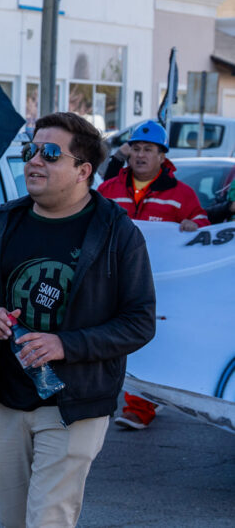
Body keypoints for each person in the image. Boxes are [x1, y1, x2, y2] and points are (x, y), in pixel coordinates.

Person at [0, 111, 156, 527]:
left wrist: (66, 344)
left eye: (49, 153)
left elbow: (139, 321)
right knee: (14, 520)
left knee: (47, 519)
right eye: (30, 150)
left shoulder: (117, 233)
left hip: (74, 403)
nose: (33, 161)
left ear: (83, 170)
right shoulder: (3, 222)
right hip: (7, 398)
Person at [96, 119, 208, 431]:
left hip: (161, 284)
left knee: (148, 342)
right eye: (136, 149)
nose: (141, 155)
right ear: (128, 152)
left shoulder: (181, 194)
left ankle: (139, 407)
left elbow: (202, 225)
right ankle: (105, 400)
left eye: (149, 150)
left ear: (162, 156)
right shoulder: (109, 190)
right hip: (113, 279)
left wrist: (194, 226)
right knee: (109, 338)